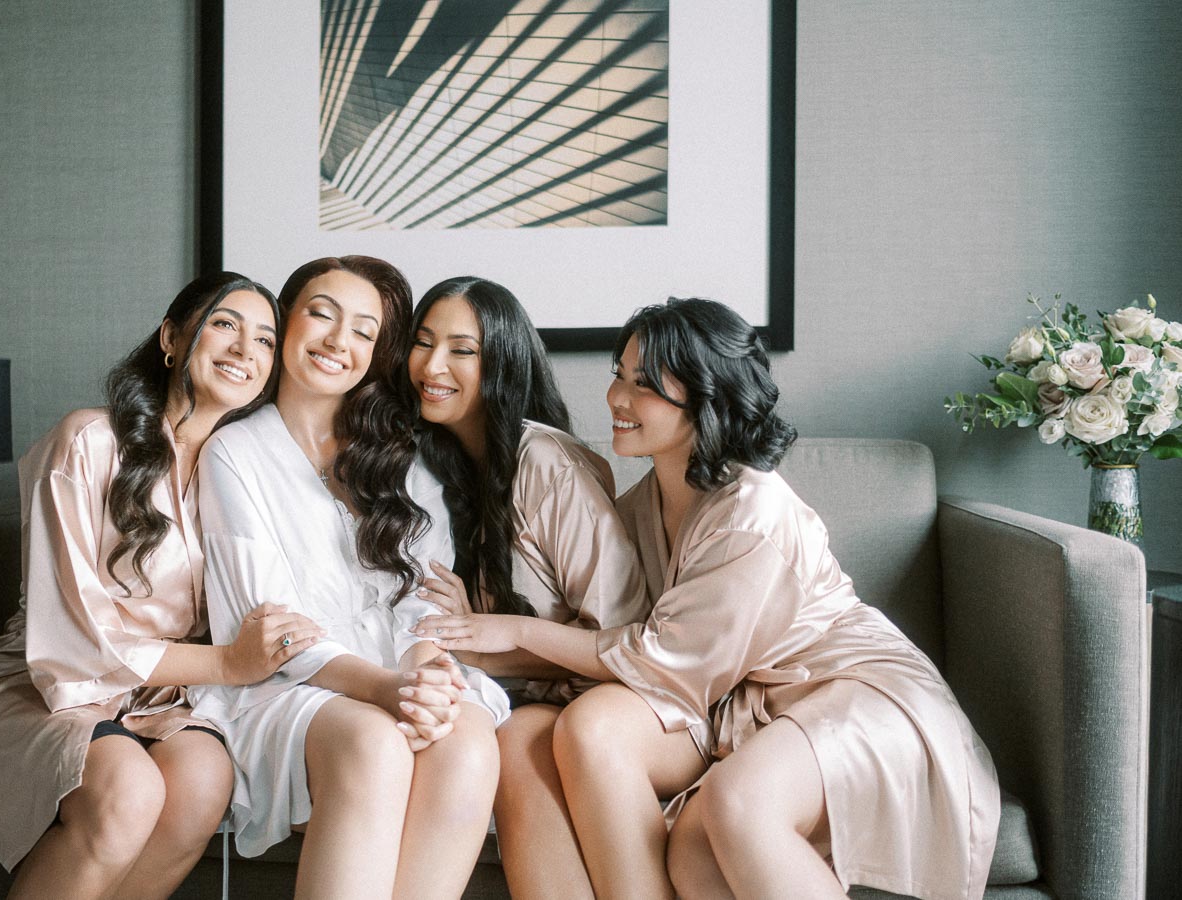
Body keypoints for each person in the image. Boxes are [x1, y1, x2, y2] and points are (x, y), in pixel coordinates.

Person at [416, 298, 1001, 900]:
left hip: (851, 688)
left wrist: (513, 632)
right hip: (744, 707)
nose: (617, 397)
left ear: (706, 398)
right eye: (619, 373)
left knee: (738, 805)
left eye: (644, 385)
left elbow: (663, 663)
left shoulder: (753, 512)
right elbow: (627, 633)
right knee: (694, 852)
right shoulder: (647, 501)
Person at [0, 273, 325, 899]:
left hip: (161, 698)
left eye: (265, 339)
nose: (244, 350)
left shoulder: (243, 473)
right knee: (129, 789)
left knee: (204, 780)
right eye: (225, 325)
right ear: (172, 337)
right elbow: (73, 635)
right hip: (44, 683)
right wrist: (231, 664)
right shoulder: (89, 441)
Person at [187, 257, 509, 899]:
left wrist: (424, 672)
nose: (340, 342)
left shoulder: (403, 454)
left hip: (402, 670)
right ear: (287, 322)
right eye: (322, 314)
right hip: (292, 687)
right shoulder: (235, 453)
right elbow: (271, 628)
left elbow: (428, 590)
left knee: (466, 735)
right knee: (373, 742)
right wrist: (386, 689)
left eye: (364, 330)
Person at [406, 276, 649, 898]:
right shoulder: (432, 463)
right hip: (501, 692)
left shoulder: (545, 464)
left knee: (515, 744)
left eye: (463, 350)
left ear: (503, 362)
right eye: (423, 342)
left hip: (598, 692)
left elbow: (622, 637)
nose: (433, 365)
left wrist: (482, 646)